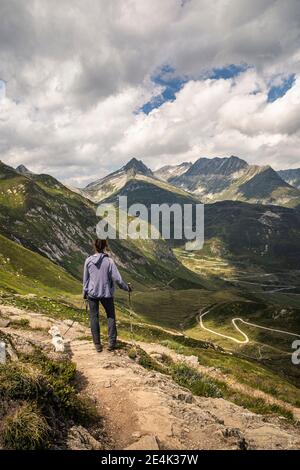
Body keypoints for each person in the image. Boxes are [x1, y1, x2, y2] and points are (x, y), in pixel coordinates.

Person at [83, 238, 132, 352]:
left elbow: (86, 280)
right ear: (105, 246)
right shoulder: (109, 261)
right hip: (106, 294)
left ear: (94, 246)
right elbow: (118, 280)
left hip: (92, 294)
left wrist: (85, 294)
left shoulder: (88, 260)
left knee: (94, 317)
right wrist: (127, 288)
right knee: (110, 316)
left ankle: (97, 345)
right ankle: (111, 343)